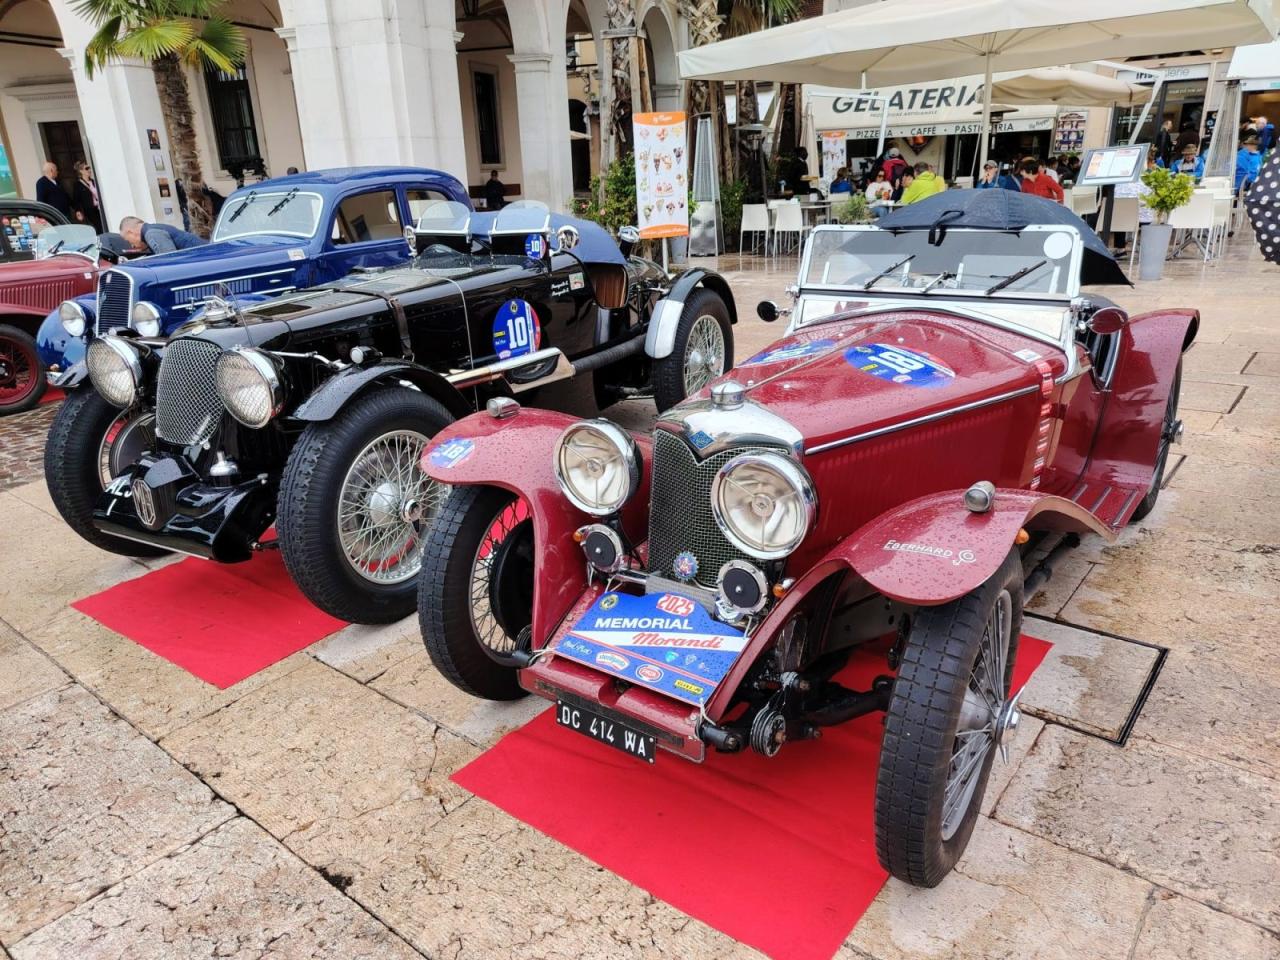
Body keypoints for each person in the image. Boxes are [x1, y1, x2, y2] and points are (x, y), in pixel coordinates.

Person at [118, 215, 207, 254]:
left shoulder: (152, 234)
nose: (132, 246)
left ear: (130, 232)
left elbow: (170, 260)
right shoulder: (153, 229)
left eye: (128, 240)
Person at [70, 161, 103, 233]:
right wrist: (78, 211)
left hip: (99, 209)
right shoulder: (78, 185)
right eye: (87, 168)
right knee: (97, 229)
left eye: (89, 168)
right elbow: (76, 200)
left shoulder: (94, 182)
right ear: (81, 171)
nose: (89, 170)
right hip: (90, 212)